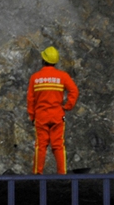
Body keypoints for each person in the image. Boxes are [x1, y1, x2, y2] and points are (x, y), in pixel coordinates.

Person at [26, 46, 78, 175]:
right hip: (57, 115)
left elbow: (30, 99)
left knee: (41, 146)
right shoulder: (62, 76)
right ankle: (62, 173)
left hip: (41, 116)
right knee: (58, 145)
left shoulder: (35, 78)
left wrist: (32, 116)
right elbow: (74, 91)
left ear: (43, 59)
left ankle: (38, 173)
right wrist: (67, 106)